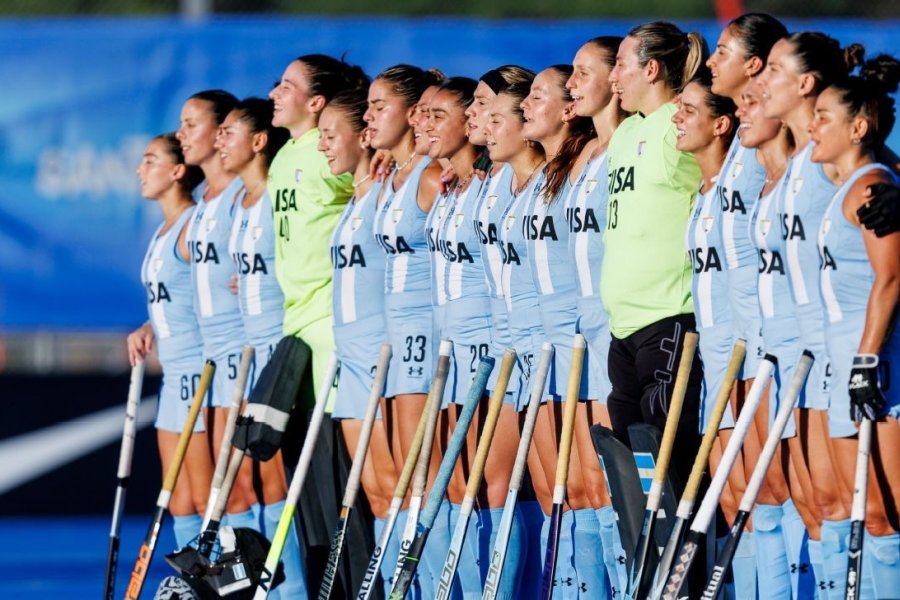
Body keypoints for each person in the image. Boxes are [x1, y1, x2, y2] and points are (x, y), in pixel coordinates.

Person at [757, 32, 866, 596]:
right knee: (811, 500)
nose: (760, 80)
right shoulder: (796, 160)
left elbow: (876, 173)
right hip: (791, 350)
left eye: (772, 70)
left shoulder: (825, 158)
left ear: (804, 84)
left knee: (841, 506)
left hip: (833, 348)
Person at [268, 53, 372, 593]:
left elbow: (365, 192)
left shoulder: (325, 147)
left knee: (340, 486)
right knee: (305, 491)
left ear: (315, 101)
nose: (273, 93)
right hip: (295, 330)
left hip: (331, 327)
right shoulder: (285, 156)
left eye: (286, 85)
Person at [704, 14, 788, 595]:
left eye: (723, 51)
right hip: (726, 342)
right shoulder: (740, 141)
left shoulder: (769, 138)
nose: (712, 61)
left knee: (772, 492)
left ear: (754, 65)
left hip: (768, 341)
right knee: (735, 496)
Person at [603, 20, 705, 491]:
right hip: (621, 325)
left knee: (672, 471)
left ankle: (688, 562)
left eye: (621, 65)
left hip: (668, 318)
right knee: (633, 477)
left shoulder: (678, 123)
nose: (612, 77)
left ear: (651, 69)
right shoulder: (625, 134)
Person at [812, 52, 900, 599]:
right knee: (858, 511)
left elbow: (890, 279)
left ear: (858, 128)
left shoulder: (872, 186)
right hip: (838, 360)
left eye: (824, 116)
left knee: (886, 515)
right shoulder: (838, 182)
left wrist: (867, 361)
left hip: (874, 365)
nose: (813, 126)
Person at [520, 63, 609, 597]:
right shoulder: (539, 177)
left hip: (588, 334)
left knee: (594, 486)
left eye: (537, 95)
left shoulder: (592, 157)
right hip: (538, 340)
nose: (529, 105)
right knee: (563, 489)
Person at [215, 97, 306, 598]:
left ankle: (287, 589)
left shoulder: (277, 192)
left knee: (274, 480)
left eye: (228, 131)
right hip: (247, 349)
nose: (217, 141)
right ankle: (250, 587)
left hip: (278, 348)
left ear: (258, 141)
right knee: (247, 482)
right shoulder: (238, 202)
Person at [366, 64, 445, 596]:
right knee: (393, 485)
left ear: (412, 113)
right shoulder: (385, 178)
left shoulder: (432, 176)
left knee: (423, 481)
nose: (368, 116)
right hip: (392, 337)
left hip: (426, 335)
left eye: (379, 106)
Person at [318, 86, 399, 594]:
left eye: (331, 135)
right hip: (347, 357)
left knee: (395, 489)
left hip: (380, 354)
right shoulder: (353, 198)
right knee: (370, 493)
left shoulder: (389, 193)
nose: (323, 145)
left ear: (363, 135)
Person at [176, 90, 261, 536]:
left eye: (193, 124)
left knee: (246, 485)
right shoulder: (206, 200)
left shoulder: (241, 195)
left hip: (243, 349)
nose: (181, 134)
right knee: (218, 490)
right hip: (211, 355)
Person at [564, 36, 630, 595]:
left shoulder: (630, 143)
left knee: (613, 479)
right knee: (583, 480)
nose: (571, 81)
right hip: (577, 324)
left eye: (583, 71)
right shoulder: (585, 151)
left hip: (618, 321)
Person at [127, 133, 210, 552]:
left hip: (198, 371)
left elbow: (213, 291)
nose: (140, 170)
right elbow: (178, 294)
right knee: (176, 499)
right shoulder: (163, 230)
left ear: (178, 172)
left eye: (150, 160)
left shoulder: (195, 225)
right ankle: (194, 584)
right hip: (172, 373)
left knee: (205, 495)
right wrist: (150, 326)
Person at [488, 77, 550, 597]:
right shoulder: (493, 183)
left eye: (494, 115)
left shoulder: (553, 178)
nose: (481, 126)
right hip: (500, 345)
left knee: (565, 490)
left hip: (547, 341)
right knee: (500, 484)